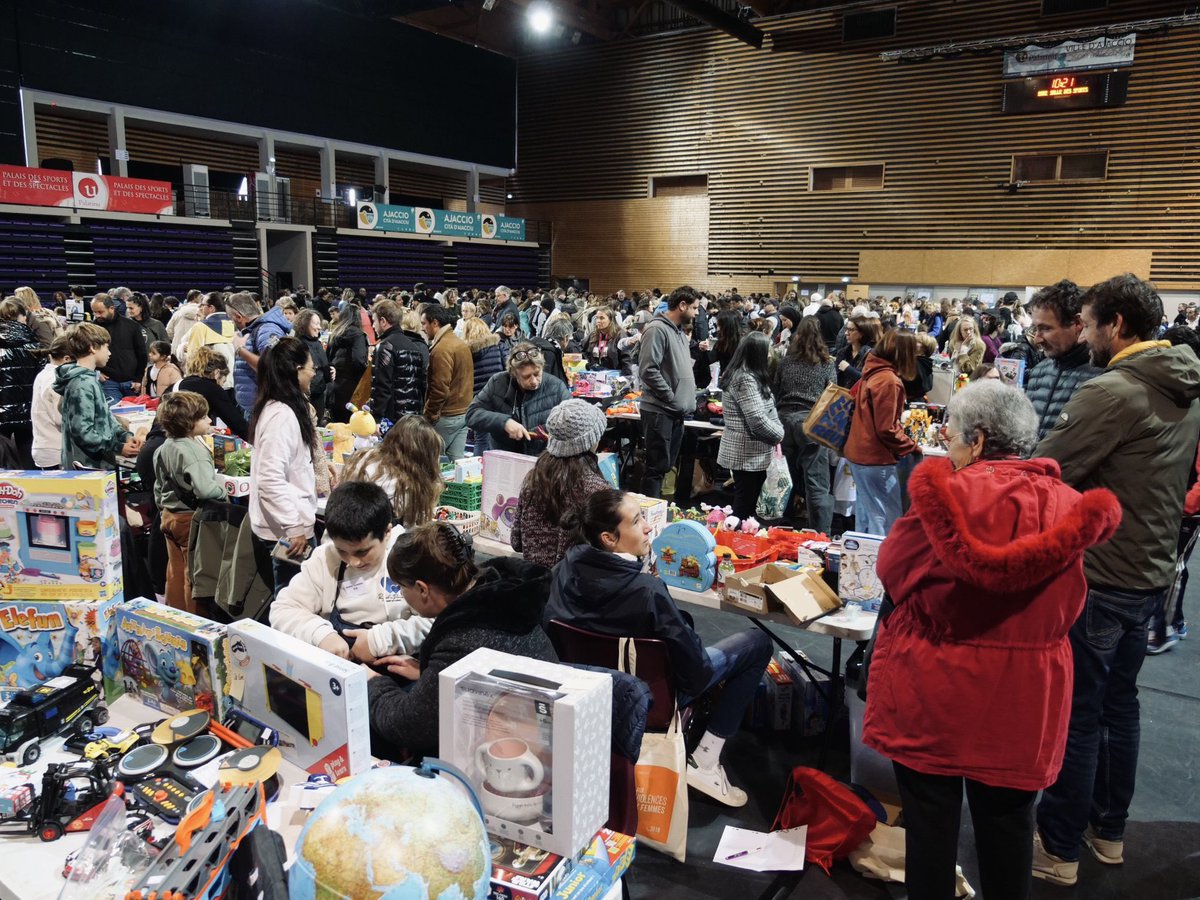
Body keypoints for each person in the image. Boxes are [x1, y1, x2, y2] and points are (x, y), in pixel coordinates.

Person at [864, 381, 1121, 900]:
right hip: (1027, 695)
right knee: (1009, 830)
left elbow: (893, 572)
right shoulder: (1072, 507)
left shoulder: (942, 500)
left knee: (930, 827)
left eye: (954, 437)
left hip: (933, 685)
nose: (949, 447)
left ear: (977, 441)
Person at [1032, 274, 1200, 887]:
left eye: (1090, 321)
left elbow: (1049, 463)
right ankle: (1108, 833)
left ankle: (1058, 850)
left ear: (1116, 327)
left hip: (1103, 574)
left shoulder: (1116, 390)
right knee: (1119, 707)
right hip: (1150, 573)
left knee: (1079, 716)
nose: (1086, 332)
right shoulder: (1183, 386)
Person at [547, 489, 772, 807]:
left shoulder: (562, 571)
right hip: (649, 698)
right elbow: (697, 673)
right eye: (638, 521)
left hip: (583, 692)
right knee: (757, 642)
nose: (649, 527)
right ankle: (706, 761)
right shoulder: (646, 591)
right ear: (610, 538)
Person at [366, 522, 558, 761]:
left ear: (422, 589)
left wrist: (373, 683)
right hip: (529, 736)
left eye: (402, 587)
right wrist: (430, 673)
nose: (403, 596)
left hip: (510, 760)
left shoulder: (463, 638)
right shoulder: (502, 599)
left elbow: (408, 726)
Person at [269, 481, 433, 662]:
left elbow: (434, 621)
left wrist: (379, 640)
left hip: (397, 663)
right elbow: (283, 609)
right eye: (342, 551)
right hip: (340, 661)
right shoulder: (325, 558)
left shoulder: (411, 559)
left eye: (363, 551)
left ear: (387, 532)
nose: (353, 561)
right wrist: (321, 634)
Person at [248, 337, 324, 595]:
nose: (313, 373)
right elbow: (269, 479)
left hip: (289, 526)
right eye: (310, 367)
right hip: (286, 532)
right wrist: (294, 528)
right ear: (295, 370)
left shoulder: (285, 408)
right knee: (291, 603)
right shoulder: (281, 415)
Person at [153, 391, 230, 613]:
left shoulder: (164, 447)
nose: (209, 420)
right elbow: (206, 489)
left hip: (169, 515)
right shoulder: (194, 451)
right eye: (204, 416)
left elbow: (158, 487)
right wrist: (222, 489)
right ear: (189, 423)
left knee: (175, 571)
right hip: (190, 519)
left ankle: (176, 615)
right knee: (195, 575)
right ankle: (196, 618)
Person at [511, 399, 611, 568]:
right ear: (589, 441)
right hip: (576, 587)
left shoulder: (535, 478)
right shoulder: (597, 490)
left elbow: (516, 541)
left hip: (535, 582)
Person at [844, 329, 921, 535]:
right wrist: (911, 446)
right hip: (874, 457)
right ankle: (882, 564)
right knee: (885, 518)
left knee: (867, 516)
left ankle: (866, 564)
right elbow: (886, 428)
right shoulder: (888, 380)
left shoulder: (873, 370)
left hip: (859, 453)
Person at [773, 317, 836, 534]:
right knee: (817, 484)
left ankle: (780, 528)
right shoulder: (827, 363)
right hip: (811, 423)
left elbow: (776, 390)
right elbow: (832, 396)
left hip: (782, 422)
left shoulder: (786, 361)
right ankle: (820, 534)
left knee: (783, 479)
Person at [637, 286, 699, 499]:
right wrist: (671, 397)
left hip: (673, 411)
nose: (697, 313)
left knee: (664, 467)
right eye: (694, 308)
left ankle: (656, 515)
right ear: (682, 305)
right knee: (655, 468)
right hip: (659, 410)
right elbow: (648, 370)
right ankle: (648, 519)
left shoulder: (679, 332)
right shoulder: (656, 329)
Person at [717, 333, 785, 520]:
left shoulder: (747, 375)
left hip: (752, 452)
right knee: (744, 506)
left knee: (747, 504)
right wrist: (779, 434)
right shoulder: (744, 378)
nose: (771, 354)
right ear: (757, 352)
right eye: (768, 349)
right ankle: (737, 544)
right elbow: (756, 418)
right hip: (747, 453)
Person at [55, 323, 141, 469]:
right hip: (86, 468)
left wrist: (124, 436)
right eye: (106, 347)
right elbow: (83, 432)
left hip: (94, 464)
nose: (109, 353)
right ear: (93, 347)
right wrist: (118, 447)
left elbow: (105, 418)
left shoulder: (88, 380)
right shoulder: (82, 384)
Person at [1025, 280, 1101, 440]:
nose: (1037, 339)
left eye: (1046, 328)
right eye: (1035, 329)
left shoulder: (1101, 377)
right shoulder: (1039, 371)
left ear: (1077, 324)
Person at [466, 342, 570, 456]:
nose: (534, 381)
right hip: (506, 459)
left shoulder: (556, 387)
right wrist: (504, 422)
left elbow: (571, 419)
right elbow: (472, 414)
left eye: (537, 373)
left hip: (543, 461)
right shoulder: (498, 383)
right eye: (526, 377)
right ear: (514, 373)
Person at [342, 416, 444, 527]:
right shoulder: (405, 484)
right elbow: (410, 529)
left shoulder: (365, 456)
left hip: (344, 528)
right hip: (375, 535)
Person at [421, 303, 474, 459]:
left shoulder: (441, 349)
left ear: (435, 323)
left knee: (429, 465)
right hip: (463, 414)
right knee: (455, 469)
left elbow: (439, 388)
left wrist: (429, 415)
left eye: (424, 323)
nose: (423, 328)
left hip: (446, 416)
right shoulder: (460, 343)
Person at [228, 291, 291, 414]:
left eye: (230, 318)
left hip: (265, 409)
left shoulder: (267, 329)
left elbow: (272, 366)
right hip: (256, 407)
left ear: (238, 316)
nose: (231, 322)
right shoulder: (255, 329)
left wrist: (240, 350)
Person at [370, 299, 429, 425]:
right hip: (414, 418)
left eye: (374, 321)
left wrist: (376, 419)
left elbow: (382, 386)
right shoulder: (415, 347)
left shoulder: (385, 346)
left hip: (392, 420)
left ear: (383, 321)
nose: (372, 326)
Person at [176, 345, 250, 441]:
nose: (221, 386)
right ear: (217, 373)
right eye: (223, 381)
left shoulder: (182, 383)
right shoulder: (211, 388)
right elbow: (238, 425)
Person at [90, 293, 147, 404]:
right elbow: (85, 354)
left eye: (100, 312)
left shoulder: (132, 326)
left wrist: (138, 379)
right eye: (94, 312)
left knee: (134, 416)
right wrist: (96, 372)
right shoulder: (92, 329)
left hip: (131, 381)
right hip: (107, 381)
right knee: (113, 415)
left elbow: (141, 354)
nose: (97, 315)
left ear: (112, 308)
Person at [461, 317, 503, 454]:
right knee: (497, 439)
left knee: (481, 439)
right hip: (498, 397)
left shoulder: (465, 353)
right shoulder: (497, 347)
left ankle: (477, 472)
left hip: (477, 400)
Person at [31, 335, 71, 469]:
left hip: (45, 446)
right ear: (67, 359)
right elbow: (60, 418)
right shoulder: (55, 380)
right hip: (56, 450)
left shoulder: (43, 375)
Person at [326, 303, 369, 423]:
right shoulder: (358, 335)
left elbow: (328, 358)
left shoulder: (334, 334)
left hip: (334, 387)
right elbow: (359, 360)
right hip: (351, 388)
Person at [184, 292, 236, 387]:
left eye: (202, 305)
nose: (201, 308)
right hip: (236, 381)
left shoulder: (201, 326)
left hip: (212, 382)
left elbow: (193, 357)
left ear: (211, 308)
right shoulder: (235, 325)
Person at [292, 308, 332, 424]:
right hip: (305, 397)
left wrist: (331, 369)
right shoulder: (297, 345)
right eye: (316, 324)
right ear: (304, 324)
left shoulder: (317, 344)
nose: (319, 327)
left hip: (319, 395)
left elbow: (324, 365)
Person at [835, 315, 878, 389]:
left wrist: (848, 369)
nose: (846, 333)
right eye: (846, 329)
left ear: (862, 333)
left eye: (850, 330)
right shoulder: (842, 353)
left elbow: (869, 381)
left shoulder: (870, 354)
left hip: (860, 397)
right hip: (842, 397)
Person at [584, 308, 629, 373]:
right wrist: (590, 363)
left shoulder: (620, 335)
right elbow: (581, 349)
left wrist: (626, 377)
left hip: (615, 376)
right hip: (595, 375)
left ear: (611, 320)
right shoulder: (593, 335)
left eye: (602, 318)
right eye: (597, 318)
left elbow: (626, 359)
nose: (598, 321)